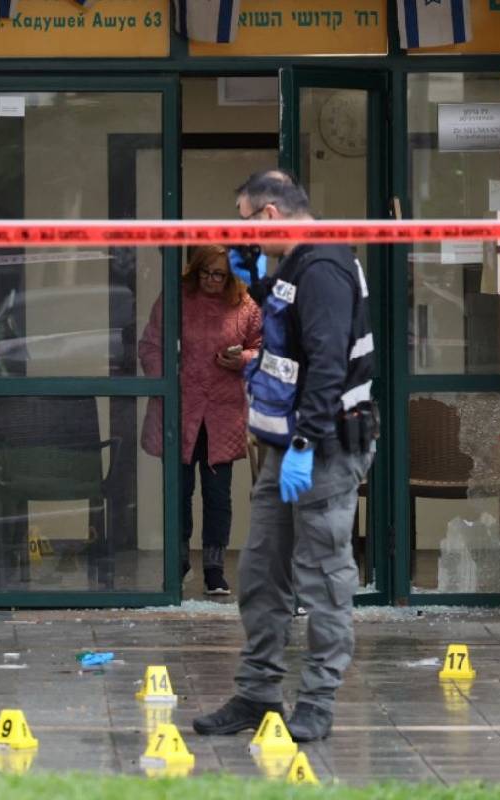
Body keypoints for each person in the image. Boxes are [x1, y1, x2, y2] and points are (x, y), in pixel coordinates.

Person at [192, 172, 376, 743]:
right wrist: (260, 283)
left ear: (269, 216)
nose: (239, 236)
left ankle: (316, 703)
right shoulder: (295, 267)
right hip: (286, 448)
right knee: (261, 573)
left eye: (244, 223)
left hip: (321, 447)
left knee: (323, 578)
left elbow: (326, 364)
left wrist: (302, 443)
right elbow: (287, 337)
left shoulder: (323, 268)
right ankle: (257, 693)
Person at [138, 245, 262, 595]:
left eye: (218, 275)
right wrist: (166, 378)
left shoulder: (244, 306)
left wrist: (242, 360)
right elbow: (150, 343)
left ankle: (214, 568)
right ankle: (177, 562)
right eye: (205, 272)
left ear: (230, 277)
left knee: (218, 495)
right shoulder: (176, 299)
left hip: (222, 414)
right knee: (179, 490)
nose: (211, 280)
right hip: (180, 407)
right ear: (195, 272)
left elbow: (265, 348)